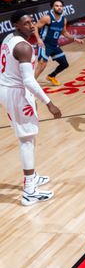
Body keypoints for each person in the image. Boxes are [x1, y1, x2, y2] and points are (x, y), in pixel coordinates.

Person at [0, 11, 62, 205]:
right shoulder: (23, 47)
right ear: (16, 26)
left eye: (31, 21)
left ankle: (32, 176)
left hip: (9, 89)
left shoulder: (9, 38)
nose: (30, 25)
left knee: (29, 135)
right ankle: (29, 191)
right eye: (25, 23)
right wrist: (49, 103)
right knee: (26, 139)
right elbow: (28, 80)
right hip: (16, 92)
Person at [34, 0, 85, 84]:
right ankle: (31, 83)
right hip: (44, 44)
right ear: (52, 7)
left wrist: (75, 39)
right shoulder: (47, 18)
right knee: (42, 64)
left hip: (54, 45)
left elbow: (64, 32)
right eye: (57, 6)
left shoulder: (64, 20)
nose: (59, 7)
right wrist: (39, 39)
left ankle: (51, 76)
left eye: (61, 6)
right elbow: (35, 27)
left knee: (64, 64)